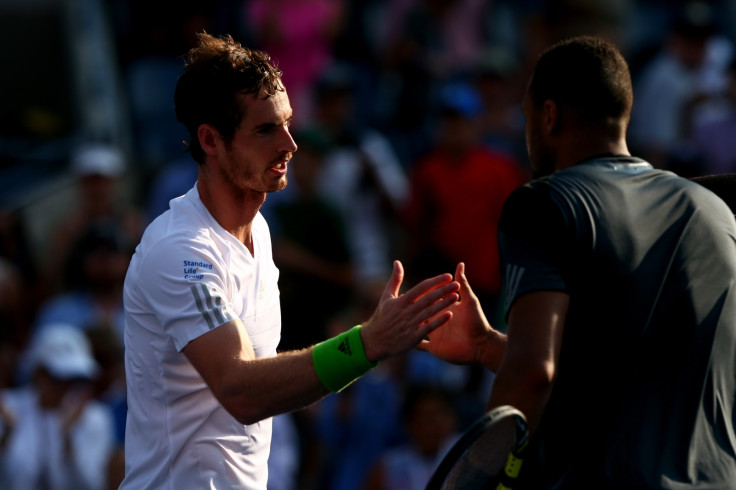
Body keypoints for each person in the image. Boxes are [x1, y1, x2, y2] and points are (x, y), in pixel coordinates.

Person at [120, 32, 460, 489]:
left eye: (287, 123)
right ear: (210, 139)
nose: (290, 145)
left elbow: (267, 377)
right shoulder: (179, 250)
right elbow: (241, 388)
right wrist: (368, 343)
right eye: (265, 130)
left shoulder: (259, 230)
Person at [419, 35, 736, 487]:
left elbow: (533, 374)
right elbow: (619, 379)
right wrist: (490, 346)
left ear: (549, 116)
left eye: (527, 116)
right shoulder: (716, 213)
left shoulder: (543, 203)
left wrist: (477, 478)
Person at [0, 324, 116, 490]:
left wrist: (68, 440)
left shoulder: (95, 417)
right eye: (59, 378)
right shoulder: (8, 407)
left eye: (75, 379)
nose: (66, 388)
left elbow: (92, 485)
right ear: (39, 373)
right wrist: (6, 437)